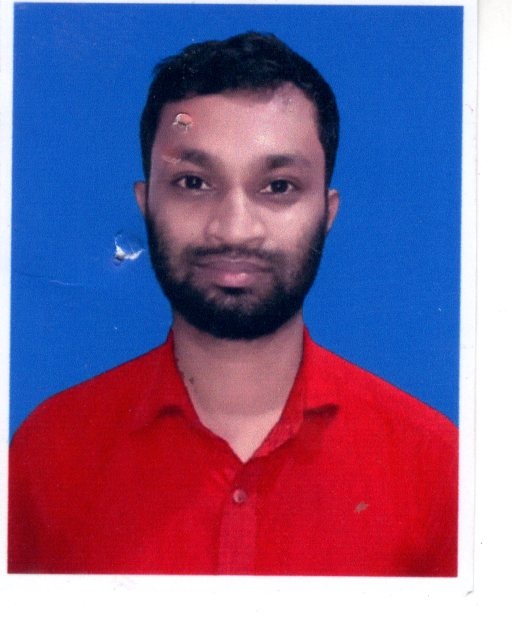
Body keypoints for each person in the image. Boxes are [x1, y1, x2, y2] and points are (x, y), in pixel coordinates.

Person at [8, 32, 458, 576]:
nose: (235, 229)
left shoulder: (439, 467)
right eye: (194, 182)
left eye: (278, 186)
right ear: (146, 204)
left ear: (327, 211)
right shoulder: (47, 454)